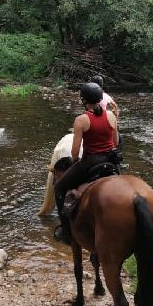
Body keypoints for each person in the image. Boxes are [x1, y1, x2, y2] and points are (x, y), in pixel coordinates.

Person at [53, 82, 118, 245]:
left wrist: (75, 163)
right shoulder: (111, 116)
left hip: (91, 162)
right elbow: (115, 141)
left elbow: (75, 151)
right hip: (111, 161)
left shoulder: (81, 120)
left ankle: (66, 231)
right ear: (100, 98)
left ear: (84, 100)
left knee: (59, 187)